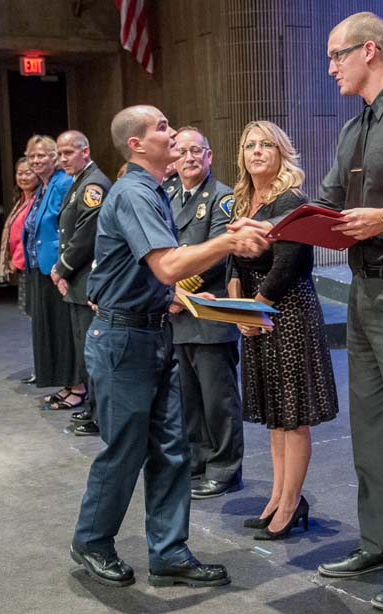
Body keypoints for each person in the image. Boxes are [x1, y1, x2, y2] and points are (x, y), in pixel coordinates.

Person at [231, 12, 383, 607]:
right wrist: (268, 230)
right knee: (371, 428)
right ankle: (381, 541)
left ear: (370, 51)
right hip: (368, 287)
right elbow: (328, 208)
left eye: (337, 55)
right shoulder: (354, 128)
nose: (331, 67)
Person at [70, 105, 269, 588]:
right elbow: (165, 264)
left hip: (151, 330)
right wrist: (227, 241)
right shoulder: (137, 191)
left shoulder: (155, 190)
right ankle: (92, 542)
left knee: (171, 450)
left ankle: (169, 551)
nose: (173, 131)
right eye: (161, 127)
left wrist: (176, 293)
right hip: (125, 340)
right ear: (136, 144)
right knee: (125, 451)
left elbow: (145, 270)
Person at [229, 120, 338, 541]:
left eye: (265, 145)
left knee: (293, 418)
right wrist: (239, 306)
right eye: (249, 144)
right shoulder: (245, 201)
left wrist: (255, 310)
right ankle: (277, 495)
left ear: (281, 153)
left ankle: (292, 502)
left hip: (287, 312)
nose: (256, 151)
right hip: (256, 313)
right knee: (276, 416)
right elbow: (234, 261)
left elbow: (290, 264)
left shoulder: (291, 199)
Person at [168, 126, 245, 499]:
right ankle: (197, 461)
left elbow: (217, 252)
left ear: (209, 156)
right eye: (181, 151)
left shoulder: (223, 197)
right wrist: (168, 293)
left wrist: (177, 290)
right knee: (189, 399)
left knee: (219, 399)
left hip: (209, 313)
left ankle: (225, 467)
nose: (189, 157)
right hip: (176, 315)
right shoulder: (165, 195)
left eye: (196, 151)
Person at [51, 131, 112, 435]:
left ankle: (101, 416)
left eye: (67, 153)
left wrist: (62, 267)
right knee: (84, 351)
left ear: (84, 151)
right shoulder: (79, 181)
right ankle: (92, 410)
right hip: (78, 281)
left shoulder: (94, 184)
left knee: (94, 353)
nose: (62, 159)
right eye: (59, 154)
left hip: (88, 279)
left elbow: (87, 232)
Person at [22, 135, 75, 399]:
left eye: (41, 155)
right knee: (50, 330)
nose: (35, 160)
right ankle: (65, 384)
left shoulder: (63, 183)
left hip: (57, 269)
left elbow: (70, 226)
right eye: (31, 156)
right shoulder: (43, 187)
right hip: (39, 269)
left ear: (54, 156)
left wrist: (62, 267)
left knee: (64, 330)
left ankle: (76, 387)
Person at [0, 157, 39, 316]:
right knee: (29, 312)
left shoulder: (38, 200)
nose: (23, 177)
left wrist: (16, 260)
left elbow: (30, 233)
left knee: (35, 312)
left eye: (28, 173)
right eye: (19, 173)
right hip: (24, 266)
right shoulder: (22, 199)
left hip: (32, 263)